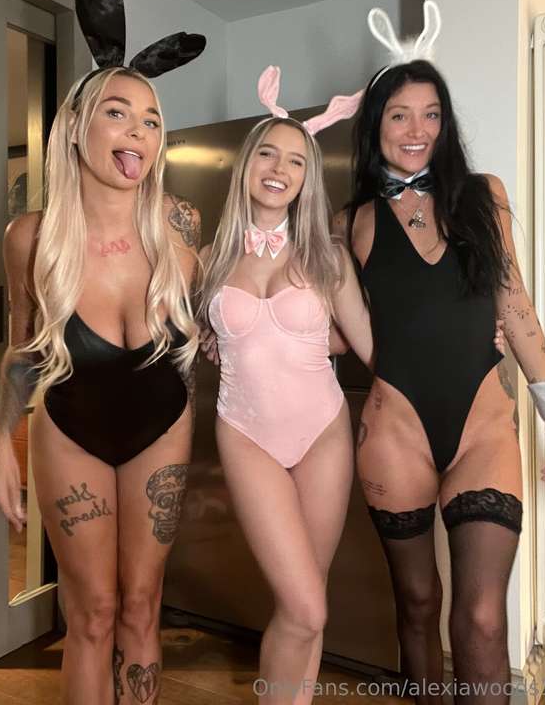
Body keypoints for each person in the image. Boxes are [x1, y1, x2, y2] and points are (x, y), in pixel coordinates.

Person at [0, 0, 205, 705]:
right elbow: (22, 348)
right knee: (92, 616)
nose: (137, 132)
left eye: (151, 120)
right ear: (76, 125)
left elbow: (233, 309)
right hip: (69, 429)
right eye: (118, 112)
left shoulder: (180, 228)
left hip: (163, 427)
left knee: (142, 608)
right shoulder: (31, 238)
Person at [334, 1, 545, 704]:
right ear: (375, 125)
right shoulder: (350, 222)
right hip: (395, 431)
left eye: (431, 114)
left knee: (481, 618)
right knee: (416, 605)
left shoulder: (483, 196)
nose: (417, 130)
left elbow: (516, 309)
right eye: (400, 115)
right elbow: (337, 331)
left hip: (482, 427)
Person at [198, 66, 372, 705]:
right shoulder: (210, 259)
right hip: (247, 434)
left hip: (323, 432)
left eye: (296, 161)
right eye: (268, 153)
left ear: (307, 179)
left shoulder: (328, 257)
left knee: (306, 604)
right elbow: (191, 336)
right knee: (304, 606)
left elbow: (370, 346)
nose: (279, 169)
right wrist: (219, 337)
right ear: (247, 163)